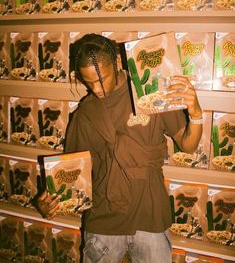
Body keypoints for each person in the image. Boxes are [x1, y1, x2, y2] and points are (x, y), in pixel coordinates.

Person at [35, 33, 203, 263]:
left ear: (116, 63)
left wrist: (196, 114)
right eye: (88, 82)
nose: (96, 89)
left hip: (150, 215)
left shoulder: (150, 92)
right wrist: (49, 203)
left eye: (101, 79)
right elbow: (73, 181)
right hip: (104, 222)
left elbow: (188, 145)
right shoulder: (84, 115)